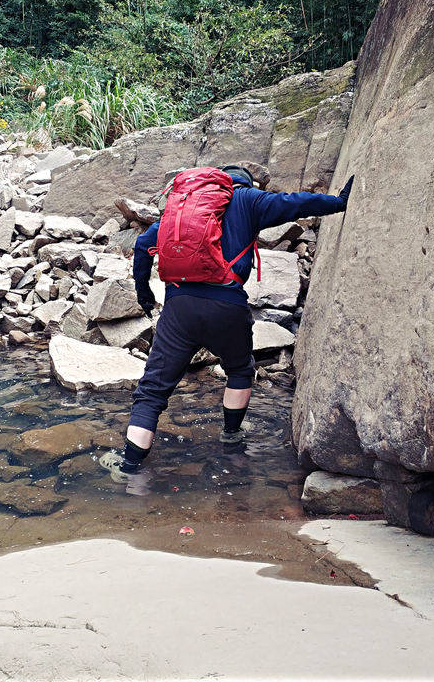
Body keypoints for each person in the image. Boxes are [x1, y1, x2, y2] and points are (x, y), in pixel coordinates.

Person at [100, 163, 355, 481]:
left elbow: (142, 246)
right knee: (240, 370)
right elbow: (295, 203)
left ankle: (128, 469)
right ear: (245, 183)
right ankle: (231, 437)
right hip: (227, 305)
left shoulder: (184, 206)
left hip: (179, 307)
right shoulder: (250, 199)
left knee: (152, 391)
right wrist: (338, 202)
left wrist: (144, 296)